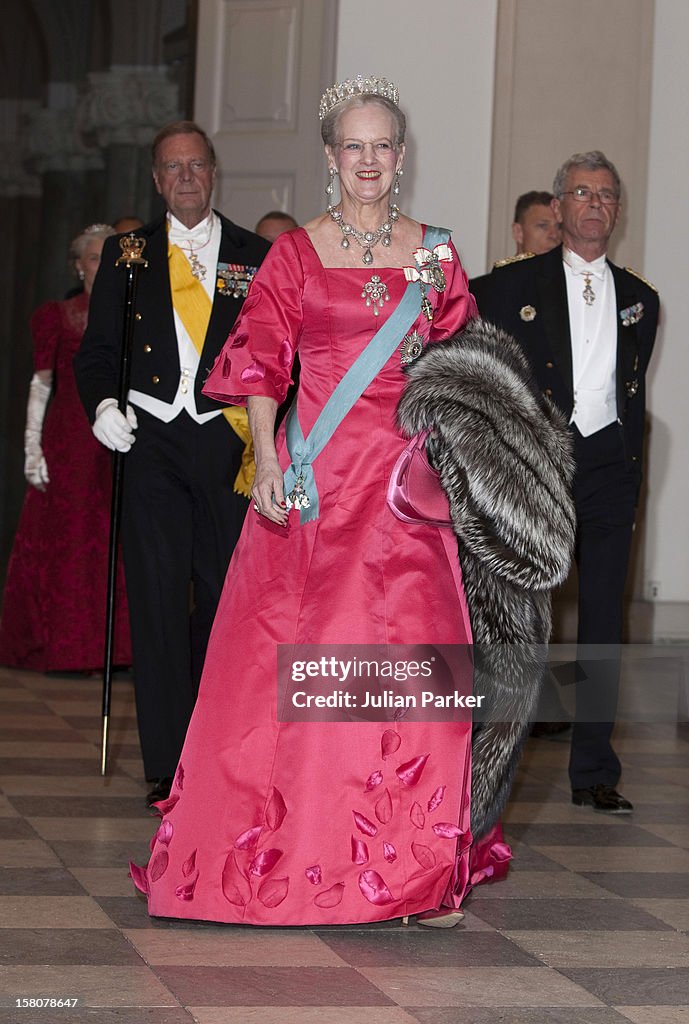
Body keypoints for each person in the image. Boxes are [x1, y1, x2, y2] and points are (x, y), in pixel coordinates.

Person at [130, 76, 573, 928]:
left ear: (398, 158)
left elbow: (464, 372)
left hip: (411, 488)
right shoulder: (295, 254)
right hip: (317, 484)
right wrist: (264, 454)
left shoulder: (434, 255)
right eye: (352, 147)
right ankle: (301, 852)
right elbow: (259, 358)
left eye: (382, 146)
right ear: (331, 158)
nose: (367, 161)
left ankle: (408, 867)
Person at [74, 121, 270, 806]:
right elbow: (97, 352)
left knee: (224, 602)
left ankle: (219, 750)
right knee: (157, 603)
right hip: (151, 441)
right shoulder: (126, 253)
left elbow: (280, 357)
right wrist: (102, 406)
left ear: (213, 172)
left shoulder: (256, 253)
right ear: (156, 180)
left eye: (196, 165)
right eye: (171, 167)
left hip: (226, 444)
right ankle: (165, 763)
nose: (185, 177)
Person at [473, 151, 659, 814]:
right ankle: (495, 758)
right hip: (536, 467)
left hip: (608, 468)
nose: (593, 204)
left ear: (616, 209)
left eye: (605, 194)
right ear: (556, 208)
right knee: (520, 618)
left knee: (603, 618)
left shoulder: (640, 299)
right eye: (580, 193)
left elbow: (627, 390)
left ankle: (593, 770)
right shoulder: (505, 286)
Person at [0, 225, 131, 672]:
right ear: (79, 265)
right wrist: (31, 450)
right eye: (93, 258)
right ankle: (69, 649)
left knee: (116, 544)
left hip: (123, 439)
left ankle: (114, 651)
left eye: (108, 256)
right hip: (71, 439)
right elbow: (41, 385)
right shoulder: (57, 314)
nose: (101, 265)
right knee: (73, 542)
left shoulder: (134, 312)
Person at [471, 190, 561, 306]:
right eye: (543, 226)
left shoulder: (564, 289)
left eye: (559, 227)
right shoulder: (482, 292)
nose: (554, 235)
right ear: (518, 232)